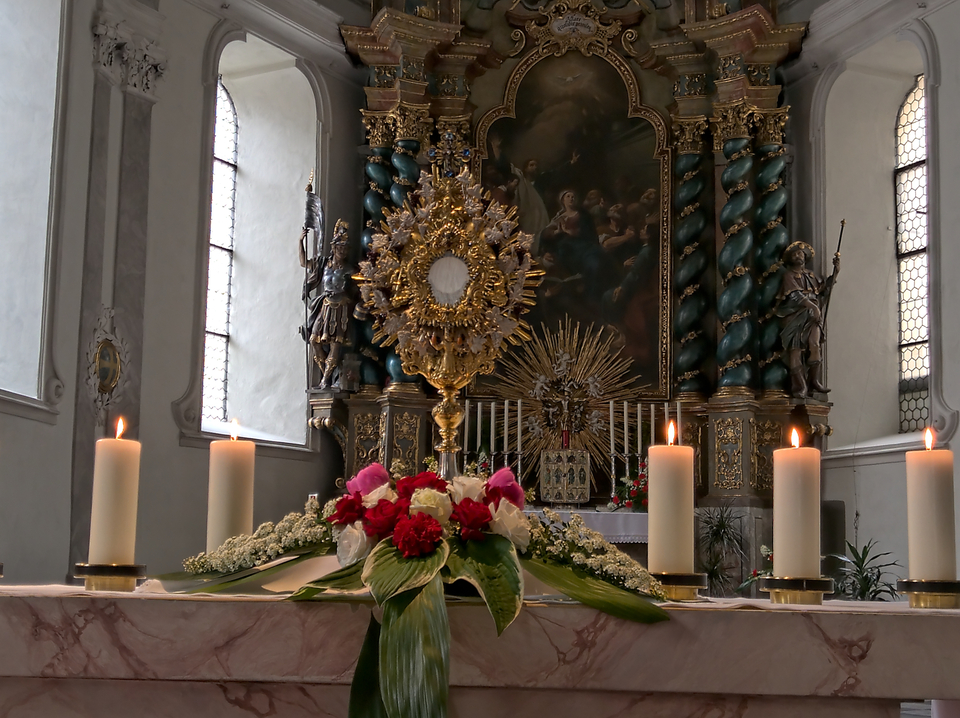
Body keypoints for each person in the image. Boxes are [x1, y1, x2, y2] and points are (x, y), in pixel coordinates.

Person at [775, 240, 840, 397]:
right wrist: (812, 306)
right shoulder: (788, 275)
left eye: (801, 253)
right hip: (795, 315)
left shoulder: (812, 276)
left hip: (813, 315)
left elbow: (823, 290)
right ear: (790, 258)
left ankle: (814, 382)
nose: (798, 256)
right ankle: (800, 387)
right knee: (796, 350)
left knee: (815, 345)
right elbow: (795, 295)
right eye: (795, 253)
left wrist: (836, 272)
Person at [300, 219, 352, 389]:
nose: (342, 251)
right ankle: (325, 375)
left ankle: (326, 380)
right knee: (314, 340)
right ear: (334, 248)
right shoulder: (323, 264)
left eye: (345, 248)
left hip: (341, 307)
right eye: (340, 248)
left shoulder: (349, 269)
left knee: (335, 344)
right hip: (325, 305)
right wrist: (301, 242)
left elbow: (360, 286)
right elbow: (304, 263)